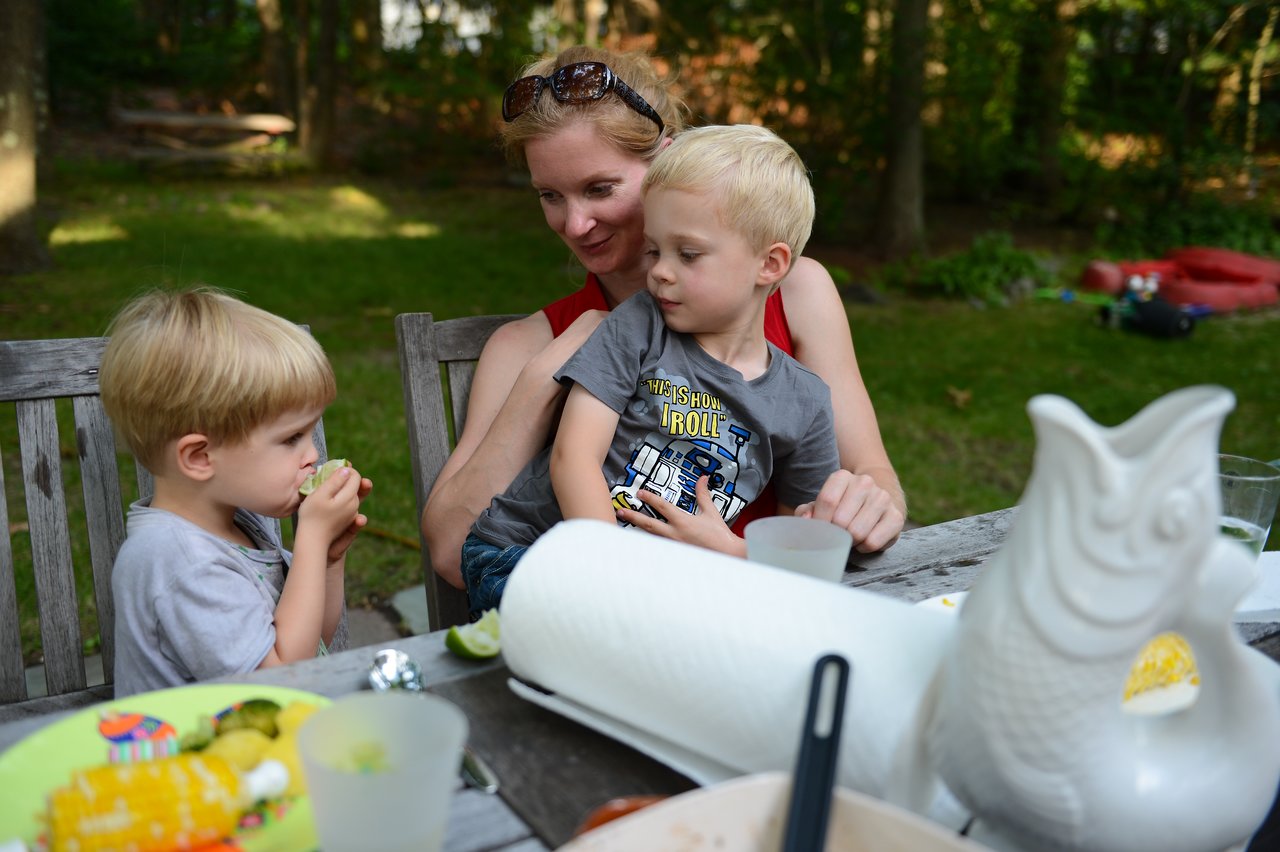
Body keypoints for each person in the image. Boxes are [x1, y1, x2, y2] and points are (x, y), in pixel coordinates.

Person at [423, 45, 906, 593]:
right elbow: (449, 549)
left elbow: (873, 473)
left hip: (751, 596)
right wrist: (546, 374)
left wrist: (870, 503)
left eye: (599, 189)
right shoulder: (530, 342)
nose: (575, 224)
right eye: (550, 196)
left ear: (666, 165)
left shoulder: (795, 291)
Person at [461, 123, 842, 614]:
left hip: (664, 582)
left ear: (769, 265)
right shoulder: (639, 326)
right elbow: (573, 458)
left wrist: (730, 553)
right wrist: (619, 579)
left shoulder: (804, 402)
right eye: (656, 250)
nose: (659, 271)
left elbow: (795, 546)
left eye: (687, 254)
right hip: (531, 552)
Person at [99, 287, 373, 697]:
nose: (313, 453)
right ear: (200, 457)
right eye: (291, 438)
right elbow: (281, 683)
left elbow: (310, 644)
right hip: (194, 757)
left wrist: (327, 561)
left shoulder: (235, 521)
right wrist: (312, 539)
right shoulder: (180, 563)